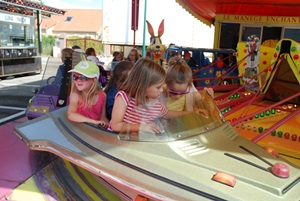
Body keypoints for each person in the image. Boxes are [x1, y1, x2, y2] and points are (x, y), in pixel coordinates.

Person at [109, 58, 189, 134]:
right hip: (116, 141)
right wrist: (142, 127)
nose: (161, 90)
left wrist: (189, 114)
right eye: (158, 87)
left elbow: (166, 114)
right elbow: (116, 126)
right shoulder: (124, 98)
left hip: (137, 141)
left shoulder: (155, 102)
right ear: (143, 85)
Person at [67, 61, 109, 128]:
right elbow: (71, 114)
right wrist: (93, 122)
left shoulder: (102, 95)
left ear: (94, 80)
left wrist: (104, 122)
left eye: (83, 77)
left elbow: (103, 116)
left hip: (94, 131)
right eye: (75, 76)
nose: (78, 80)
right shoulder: (75, 95)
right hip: (79, 130)